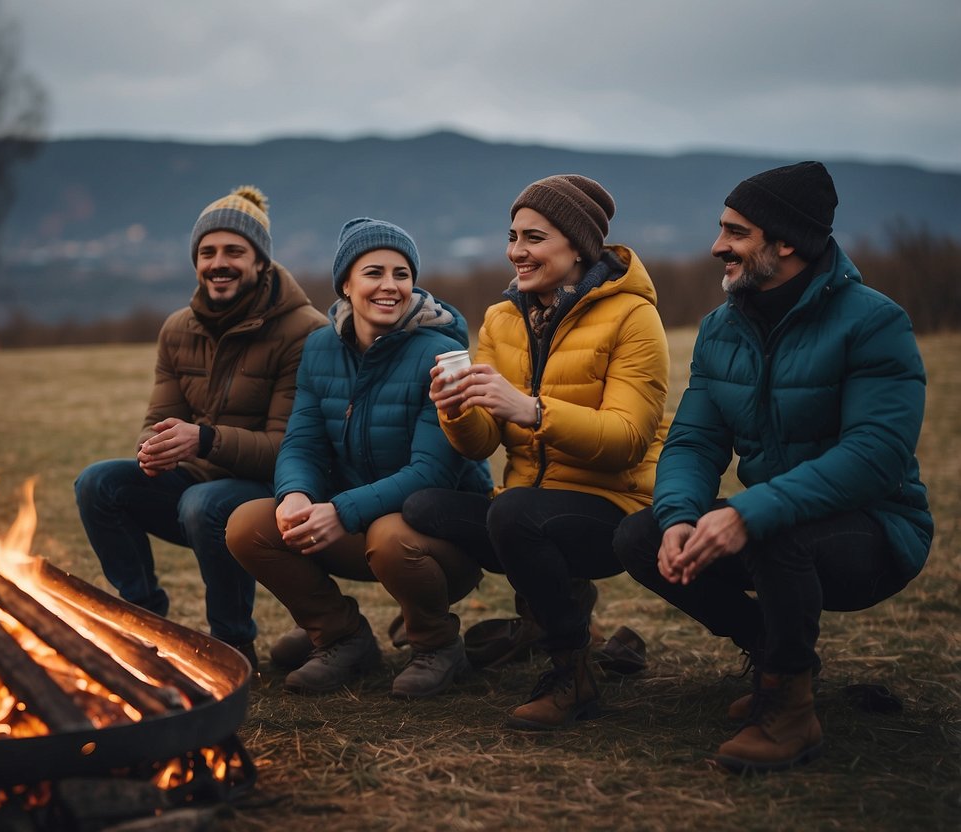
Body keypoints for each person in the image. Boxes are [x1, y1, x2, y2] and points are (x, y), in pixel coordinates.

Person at [613, 161, 933, 774]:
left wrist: (747, 511)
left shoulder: (874, 322)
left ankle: (789, 712)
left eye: (735, 232)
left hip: (874, 533)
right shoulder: (720, 328)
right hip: (770, 527)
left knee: (773, 527)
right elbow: (695, 441)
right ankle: (774, 658)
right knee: (640, 534)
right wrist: (680, 515)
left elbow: (876, 454)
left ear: (786, 242)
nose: (717, 247)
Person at [402, 175, 669, 729]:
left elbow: (627, 440)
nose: (516, 252)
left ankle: (571, 669)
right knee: (425, 508)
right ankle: (540, 609)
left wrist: (532, 410)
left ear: (578, 247)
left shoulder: (632, 317)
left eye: (534, 238)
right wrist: (456, 408)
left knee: (514, 513)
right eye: (513, 236)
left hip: (612, 509)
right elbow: (483, 441)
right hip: (526, 503)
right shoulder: (504, 317)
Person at [226, 218, 494, 698]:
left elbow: (432, 472)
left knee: (390, 534)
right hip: (352, 527)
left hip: (434, 542)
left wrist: (340, 510)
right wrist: (295, 494)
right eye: (374, 273)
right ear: (346, 285)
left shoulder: (442, 353)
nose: (390, 286)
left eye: (402, 273)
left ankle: (436, 645)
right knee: (249, 524)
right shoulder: (320, 348)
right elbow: (302, 441)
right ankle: (340, 636)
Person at [74, 186, 327, 668]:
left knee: (202, 503)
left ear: (260, 262)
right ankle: (144, 624)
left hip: (271, 490)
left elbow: (289, 447)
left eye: (235, 251)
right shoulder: (177, 329)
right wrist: (153, 448)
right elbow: (156, 421)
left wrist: (203, 439)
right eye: (207, 252)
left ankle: (233, 643)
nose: (219, 263)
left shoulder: (303, 330)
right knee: (98, 483)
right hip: (198, 479)